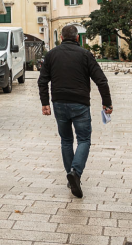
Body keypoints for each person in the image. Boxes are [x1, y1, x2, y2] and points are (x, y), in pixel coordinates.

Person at [39, 24, 113, 198]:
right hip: (80, 104)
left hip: (59, 104)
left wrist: (45, 103)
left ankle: (71, 176)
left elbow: (42, 81)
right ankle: (75, 173)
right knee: (84, 140)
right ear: (78, 38)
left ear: (61, 38)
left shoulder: (51, 55)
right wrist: (107, 103)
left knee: (66, 140)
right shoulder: (85, 55)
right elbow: (101, 80)